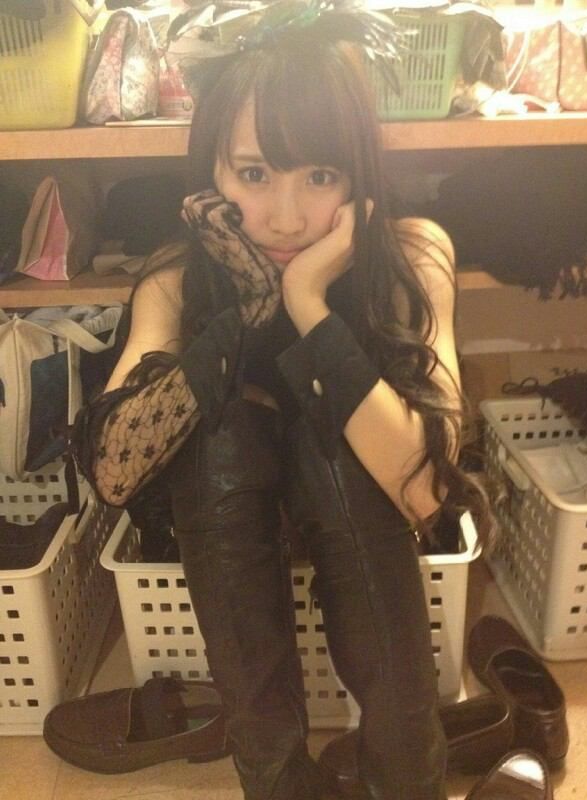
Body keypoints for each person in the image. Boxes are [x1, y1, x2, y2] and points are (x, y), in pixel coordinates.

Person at [74, 5, 491, 799]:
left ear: (358, 177)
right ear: (213, 172)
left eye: (321, 176)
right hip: (229, 536)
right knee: (221, 433)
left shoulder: (411, 254)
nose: (289, 217)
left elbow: (426, 493)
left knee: (339, 445)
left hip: (366, 529)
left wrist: (306, 303)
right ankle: (279, 781)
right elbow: (117, 471)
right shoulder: (177, 276)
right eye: (255, 174)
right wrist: (244, 316)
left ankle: (407, 775)